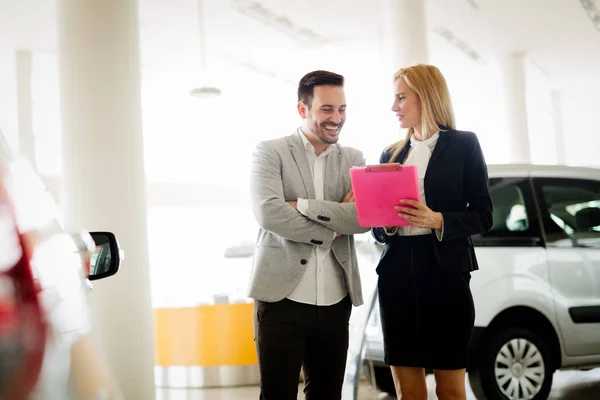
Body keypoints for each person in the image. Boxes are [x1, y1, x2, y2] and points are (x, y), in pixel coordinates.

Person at [371, 64, 493, 400]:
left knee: (450, 388)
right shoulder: (390, 155)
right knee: (406, 389)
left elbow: (484, 215)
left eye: (401, 97)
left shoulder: (464, 145)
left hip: (445, 272)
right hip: (397, 274)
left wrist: (437, 219)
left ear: (425, 96)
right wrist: (388, 225)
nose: (394, 106)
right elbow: (379, 232)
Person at [249, 70, 370, 400]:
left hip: (335, 302)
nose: (337, 119)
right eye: (327, 109)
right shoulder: (270, 152)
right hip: (280, 301)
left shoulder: (354, 160)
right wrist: (334, 223)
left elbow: (362, 220)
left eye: (342, 109)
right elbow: (270, 213)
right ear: (302, 109)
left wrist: (300, 204)